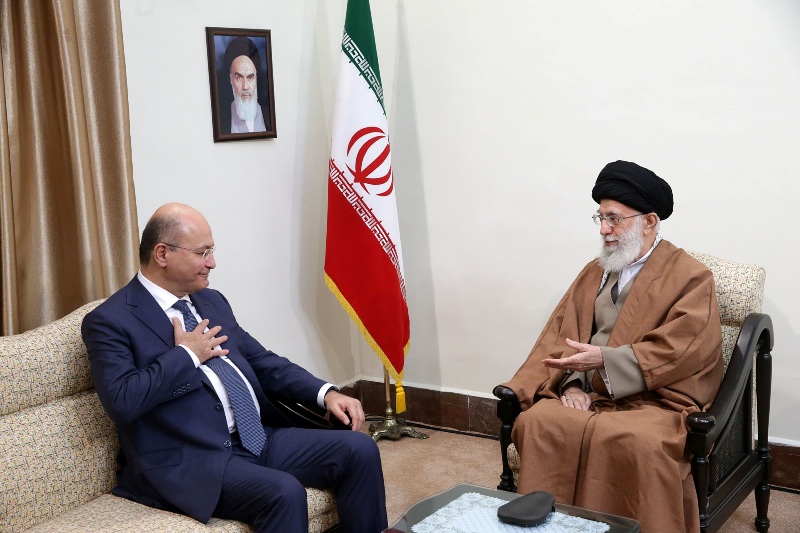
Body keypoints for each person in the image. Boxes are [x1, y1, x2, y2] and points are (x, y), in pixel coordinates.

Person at [82, 203, 387, 532]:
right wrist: (186, 355)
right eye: (202, 253)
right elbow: (122, 400)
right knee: (284, 492)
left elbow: (261, 360)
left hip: (256, 436)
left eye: (211, 251)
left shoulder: (210, 301)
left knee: (359, 449)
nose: (212, 263)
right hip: (191, 458)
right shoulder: (111, 320)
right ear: (162, 254)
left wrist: (325, 393)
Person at [502, 161, 723, 533]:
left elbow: (683, 348)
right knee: (539, 423)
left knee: (639, 442)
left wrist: (605, 361)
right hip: (590, 390)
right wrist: (573, 384)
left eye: (614, 219)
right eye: (600, 218)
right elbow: (563, 334)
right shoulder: (596, 270)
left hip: (654, 399)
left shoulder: (691, 277)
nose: (604, 229)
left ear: (649, 221)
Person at [220, 36, 269, 134]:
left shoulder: (268, 117)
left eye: (250, 77)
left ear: (256, 78)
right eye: (239, 77)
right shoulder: (221, 120)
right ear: (230, 80)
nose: (245, 87)